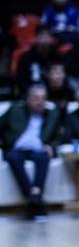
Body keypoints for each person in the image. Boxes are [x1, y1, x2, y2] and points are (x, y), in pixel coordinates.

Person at [1, 85, 63, 219]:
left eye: (43, 98)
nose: (39, 102)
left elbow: (58, 137)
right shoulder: (15, 110)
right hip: (17, 149)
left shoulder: (52, 114)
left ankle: (34, 197)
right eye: (36, 98)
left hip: (38, 149)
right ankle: (34, 197)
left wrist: (51, 146)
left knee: (44, 157)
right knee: (13, 158)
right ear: (28, 99)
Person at [17, 26, 58, 91]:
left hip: (52, 93)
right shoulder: (26, 57)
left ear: (51, 39)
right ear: (36, 38)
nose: (44, 39)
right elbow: (21, 80)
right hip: (31, 93)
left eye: (47, 36)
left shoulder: (57, 56)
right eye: (41, 35)